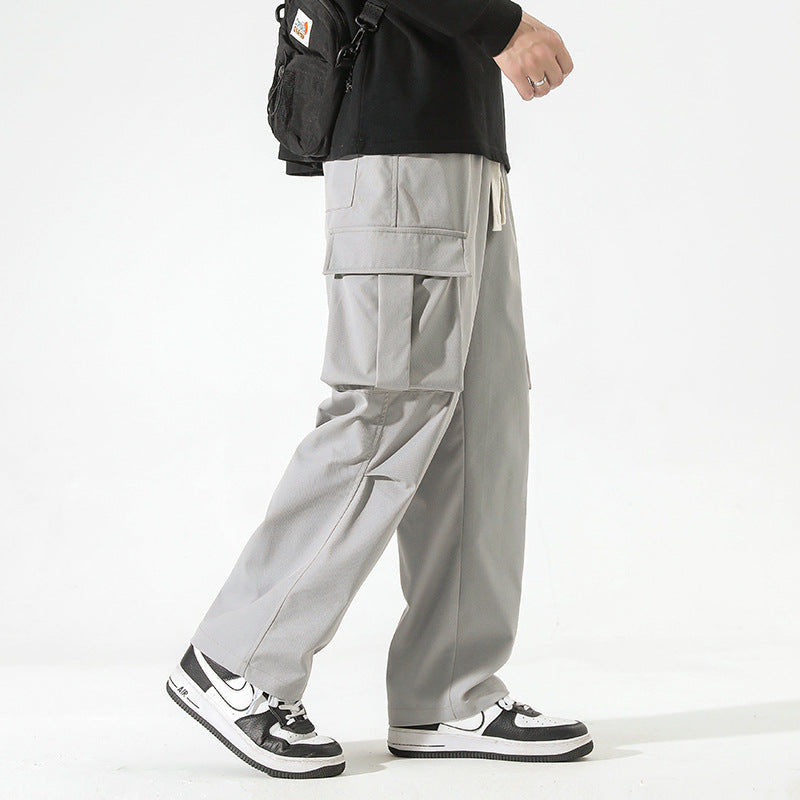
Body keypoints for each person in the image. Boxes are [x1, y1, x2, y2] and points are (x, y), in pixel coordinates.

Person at [165, 0, 591, 779]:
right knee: (386, 409)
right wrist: (504, 27)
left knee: (480, 424)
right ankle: (236, 661)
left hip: (465, 151)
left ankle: (446, 692)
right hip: (399, 149)